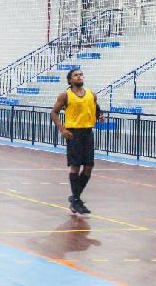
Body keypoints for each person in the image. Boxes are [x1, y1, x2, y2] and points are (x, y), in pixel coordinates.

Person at [51, 69, 104, 215]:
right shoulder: (65, 95)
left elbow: (96, 108)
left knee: (88, 167)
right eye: (76, 75)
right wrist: (62, 129)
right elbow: (54, 112)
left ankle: (75, 198)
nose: (79, 76)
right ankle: (76, 200)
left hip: (87, 132)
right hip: (73, 133)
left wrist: (100, 116)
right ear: (70, 80)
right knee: (75, 166)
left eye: (81, 74)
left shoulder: (91, 94)